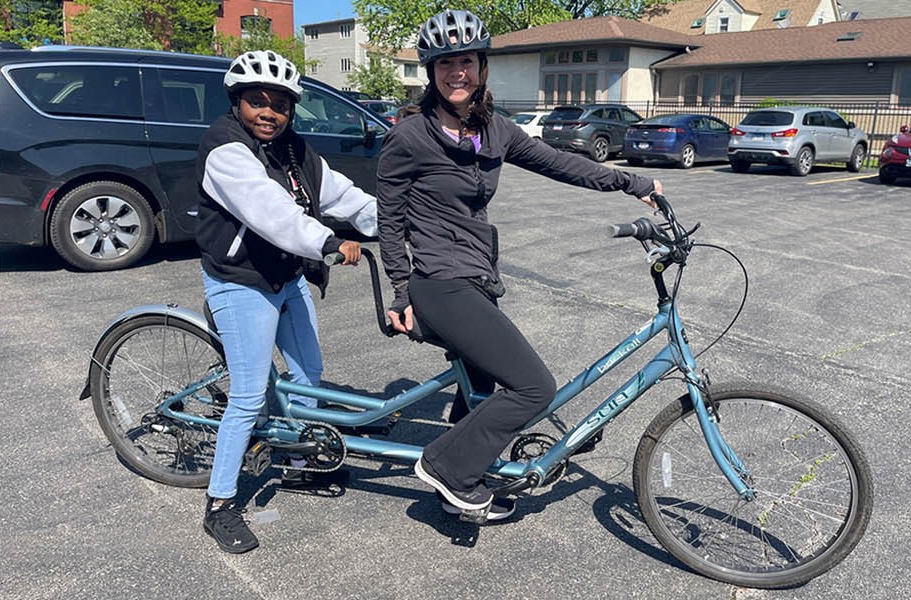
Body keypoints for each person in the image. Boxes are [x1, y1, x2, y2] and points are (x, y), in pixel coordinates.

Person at [375, 10, 662, 521]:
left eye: (465, 61)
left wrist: (629, 182)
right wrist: (400, 290)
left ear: (481, 68)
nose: (455, 72)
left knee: (481, 387)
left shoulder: (494, 129)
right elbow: (389, 219)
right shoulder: (410, 137)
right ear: (430, 72)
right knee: (534, 387)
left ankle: (466, 479)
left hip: (477, 279)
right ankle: (448, 468)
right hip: (439, 284)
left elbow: (559, 162)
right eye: (444, 63)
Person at [197, 50, 379, 553]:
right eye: (257, 101)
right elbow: (270, 211)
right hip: (240, 282)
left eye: (279, 103)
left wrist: (407, 227)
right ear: (237, 102)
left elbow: (348, 199)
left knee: (308, 375)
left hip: (285, 277)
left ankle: (297, 461)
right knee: (250, 394)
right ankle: (219, 504)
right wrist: (327, 243)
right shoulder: (225, 151)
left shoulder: (295, 151)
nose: (269, 112)